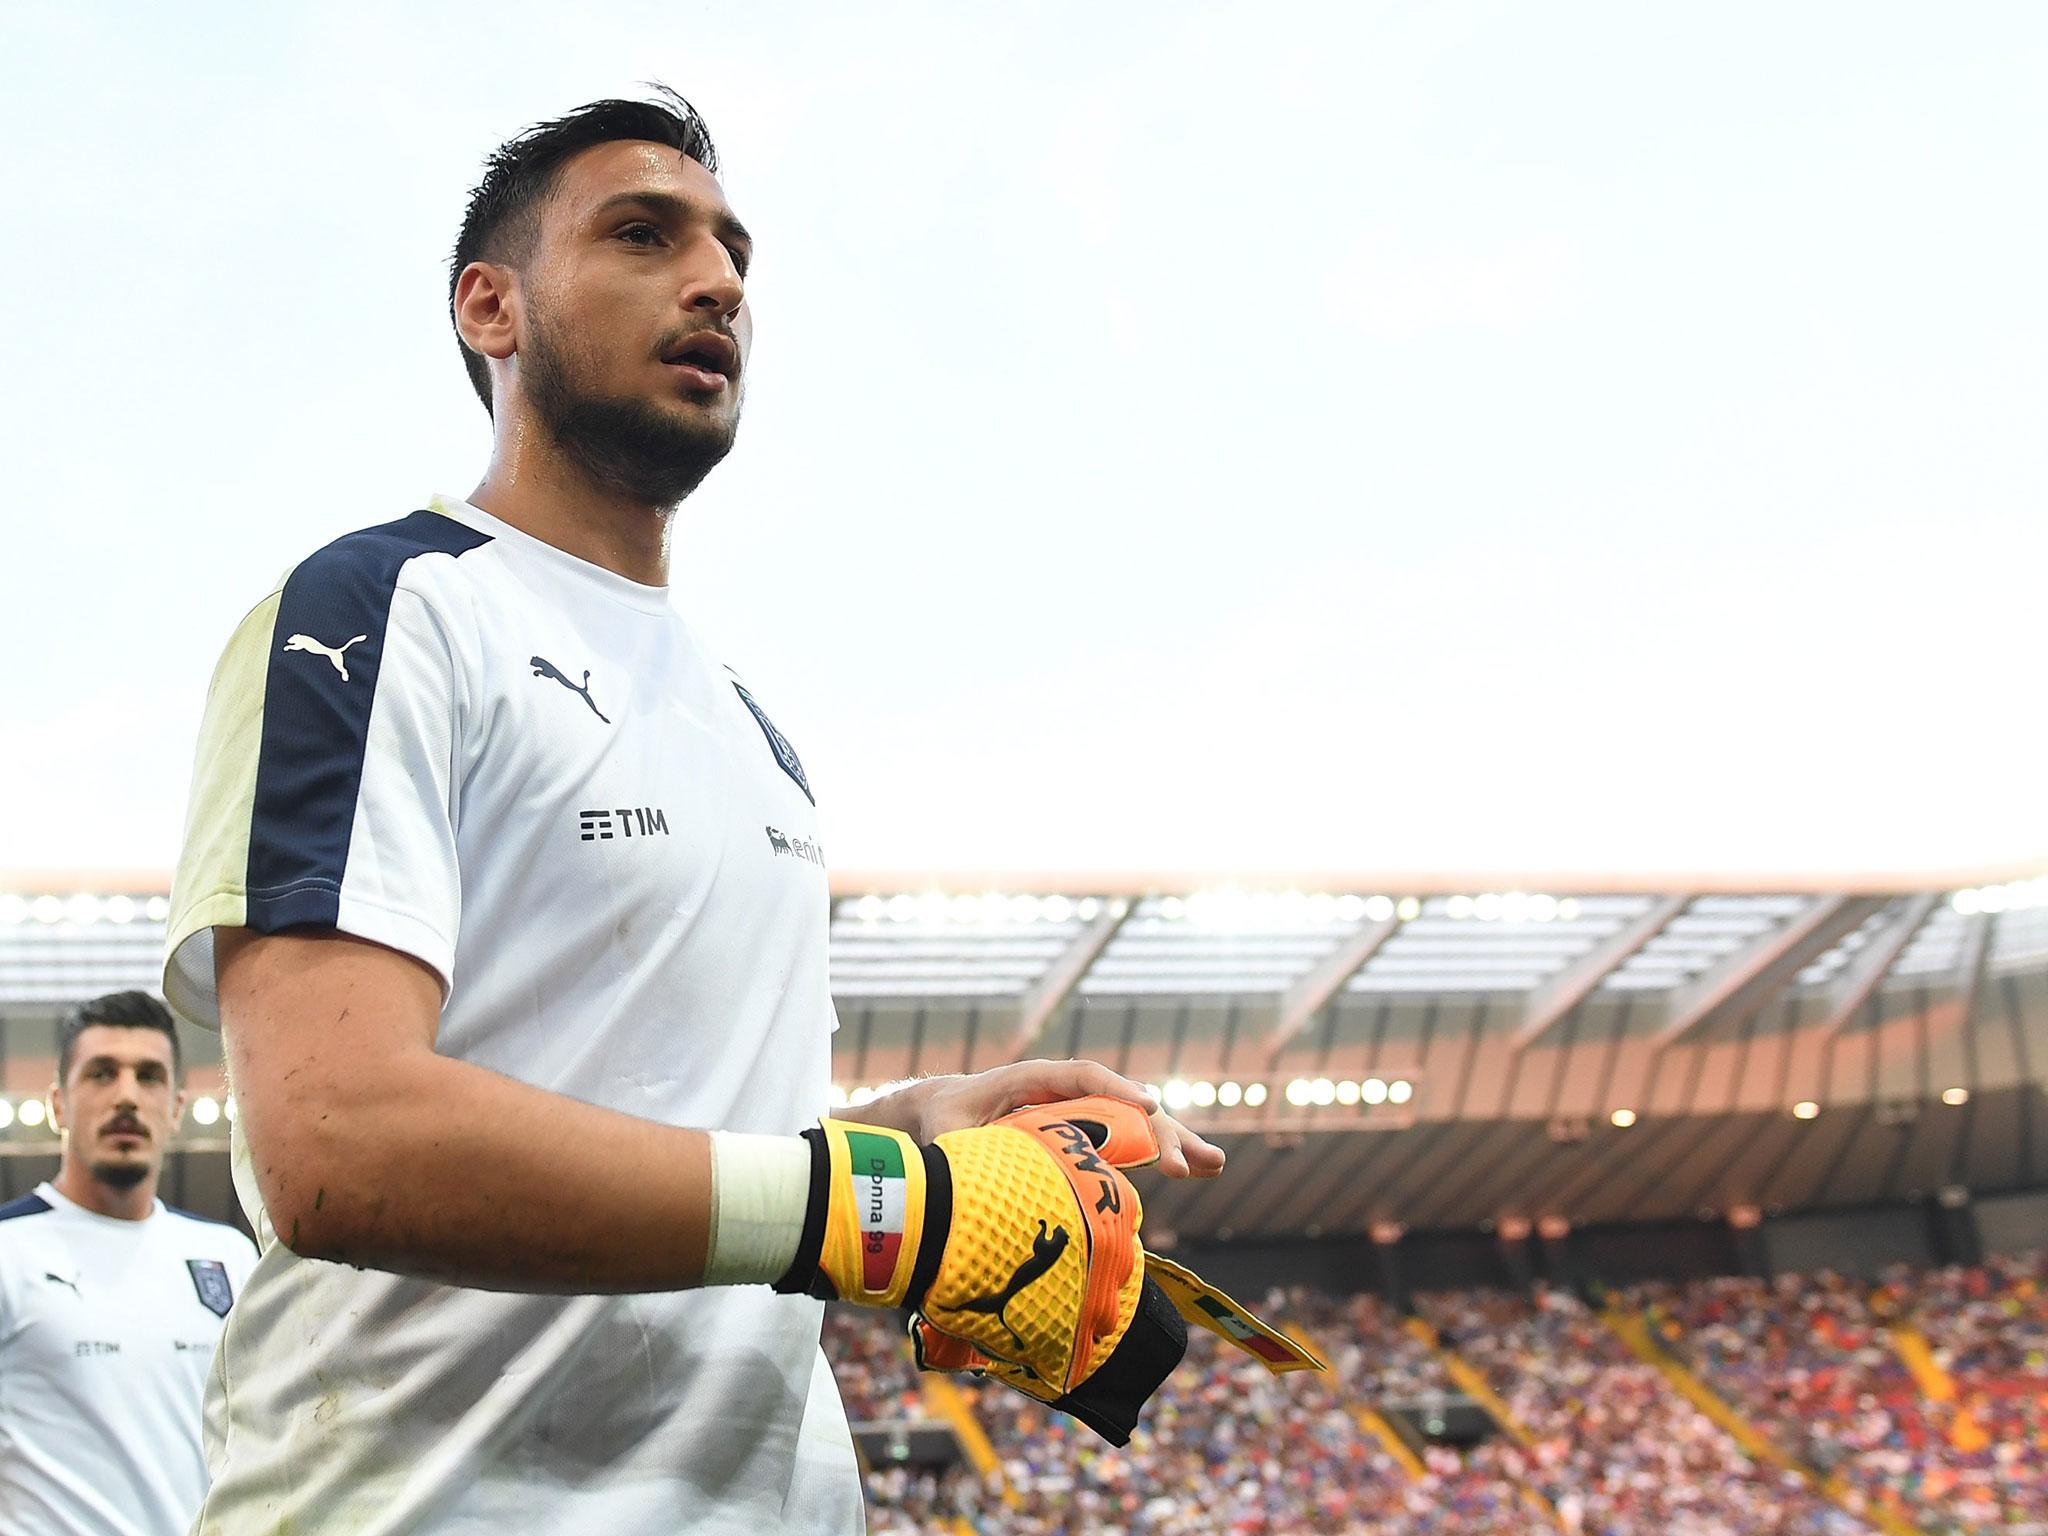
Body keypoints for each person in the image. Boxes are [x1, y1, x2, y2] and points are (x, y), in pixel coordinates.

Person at [161, 88, 1221, 1535]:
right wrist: (874, 1209)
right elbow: (338, 1135)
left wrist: (907, 1140)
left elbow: (709, 1142)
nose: (716, 281)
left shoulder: (753, 731)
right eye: (643, 236)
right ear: (493, 307)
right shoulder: (385, 610)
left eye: (733, 254)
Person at [0, 991, 257, 1535]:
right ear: (58, 1105)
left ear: (176, 1108)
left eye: (149, 1076)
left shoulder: (229, 1256)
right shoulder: (9, 1250)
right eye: (100, 1073)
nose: (126, 1097)